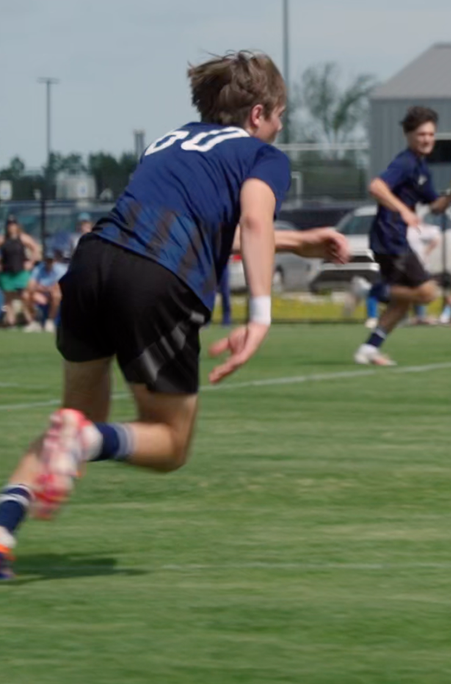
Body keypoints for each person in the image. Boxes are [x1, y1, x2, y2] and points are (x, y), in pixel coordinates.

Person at [1, 51, 349, 580]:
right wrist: (259, 316)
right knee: (169, 442)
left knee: (73, 417)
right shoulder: (262, 156)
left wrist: (297, 242)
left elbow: (207, 225)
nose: (279, 128)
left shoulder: (170, 140)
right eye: (279, 117)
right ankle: (86, 442)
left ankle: (3, 529)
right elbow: (254, 221)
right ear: (258, 115)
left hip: (92, 263)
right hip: (155, 280)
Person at [355, 106, 451, 366]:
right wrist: (404, 211)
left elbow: (437, 207)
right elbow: (376, 186)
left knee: (401, 304)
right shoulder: (405, 162)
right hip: (389, 237)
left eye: (431, 134)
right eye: (421, 134)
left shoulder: (421, 168)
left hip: (396, 238)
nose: (427, 139)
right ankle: (370, 291)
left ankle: (368, 349)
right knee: (428, 293)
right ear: (409, 135)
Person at [0, 218, 34, 329]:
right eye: (9, 225)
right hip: (6, 272)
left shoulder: (23, 238)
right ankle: (11, 322)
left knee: (24, 296)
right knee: (8, 298)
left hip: (20, 271)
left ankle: (28, 320)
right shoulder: (3, 239)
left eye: (13, 224)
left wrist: (31, 262)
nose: (11, 227)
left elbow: (35, 248)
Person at [27, 248, 70, 332]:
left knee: (56, 295)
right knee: (27, 295)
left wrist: (42, 288)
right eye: (47, 260)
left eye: (51, 260)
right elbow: (31, 285)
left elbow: (57, 287)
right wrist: (42, 289)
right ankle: (35, 321)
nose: (49, 263)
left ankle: (50, 321)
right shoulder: (39, 268)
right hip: (41, 294)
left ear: (54, 260)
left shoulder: (60, 269)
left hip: (54, 294)